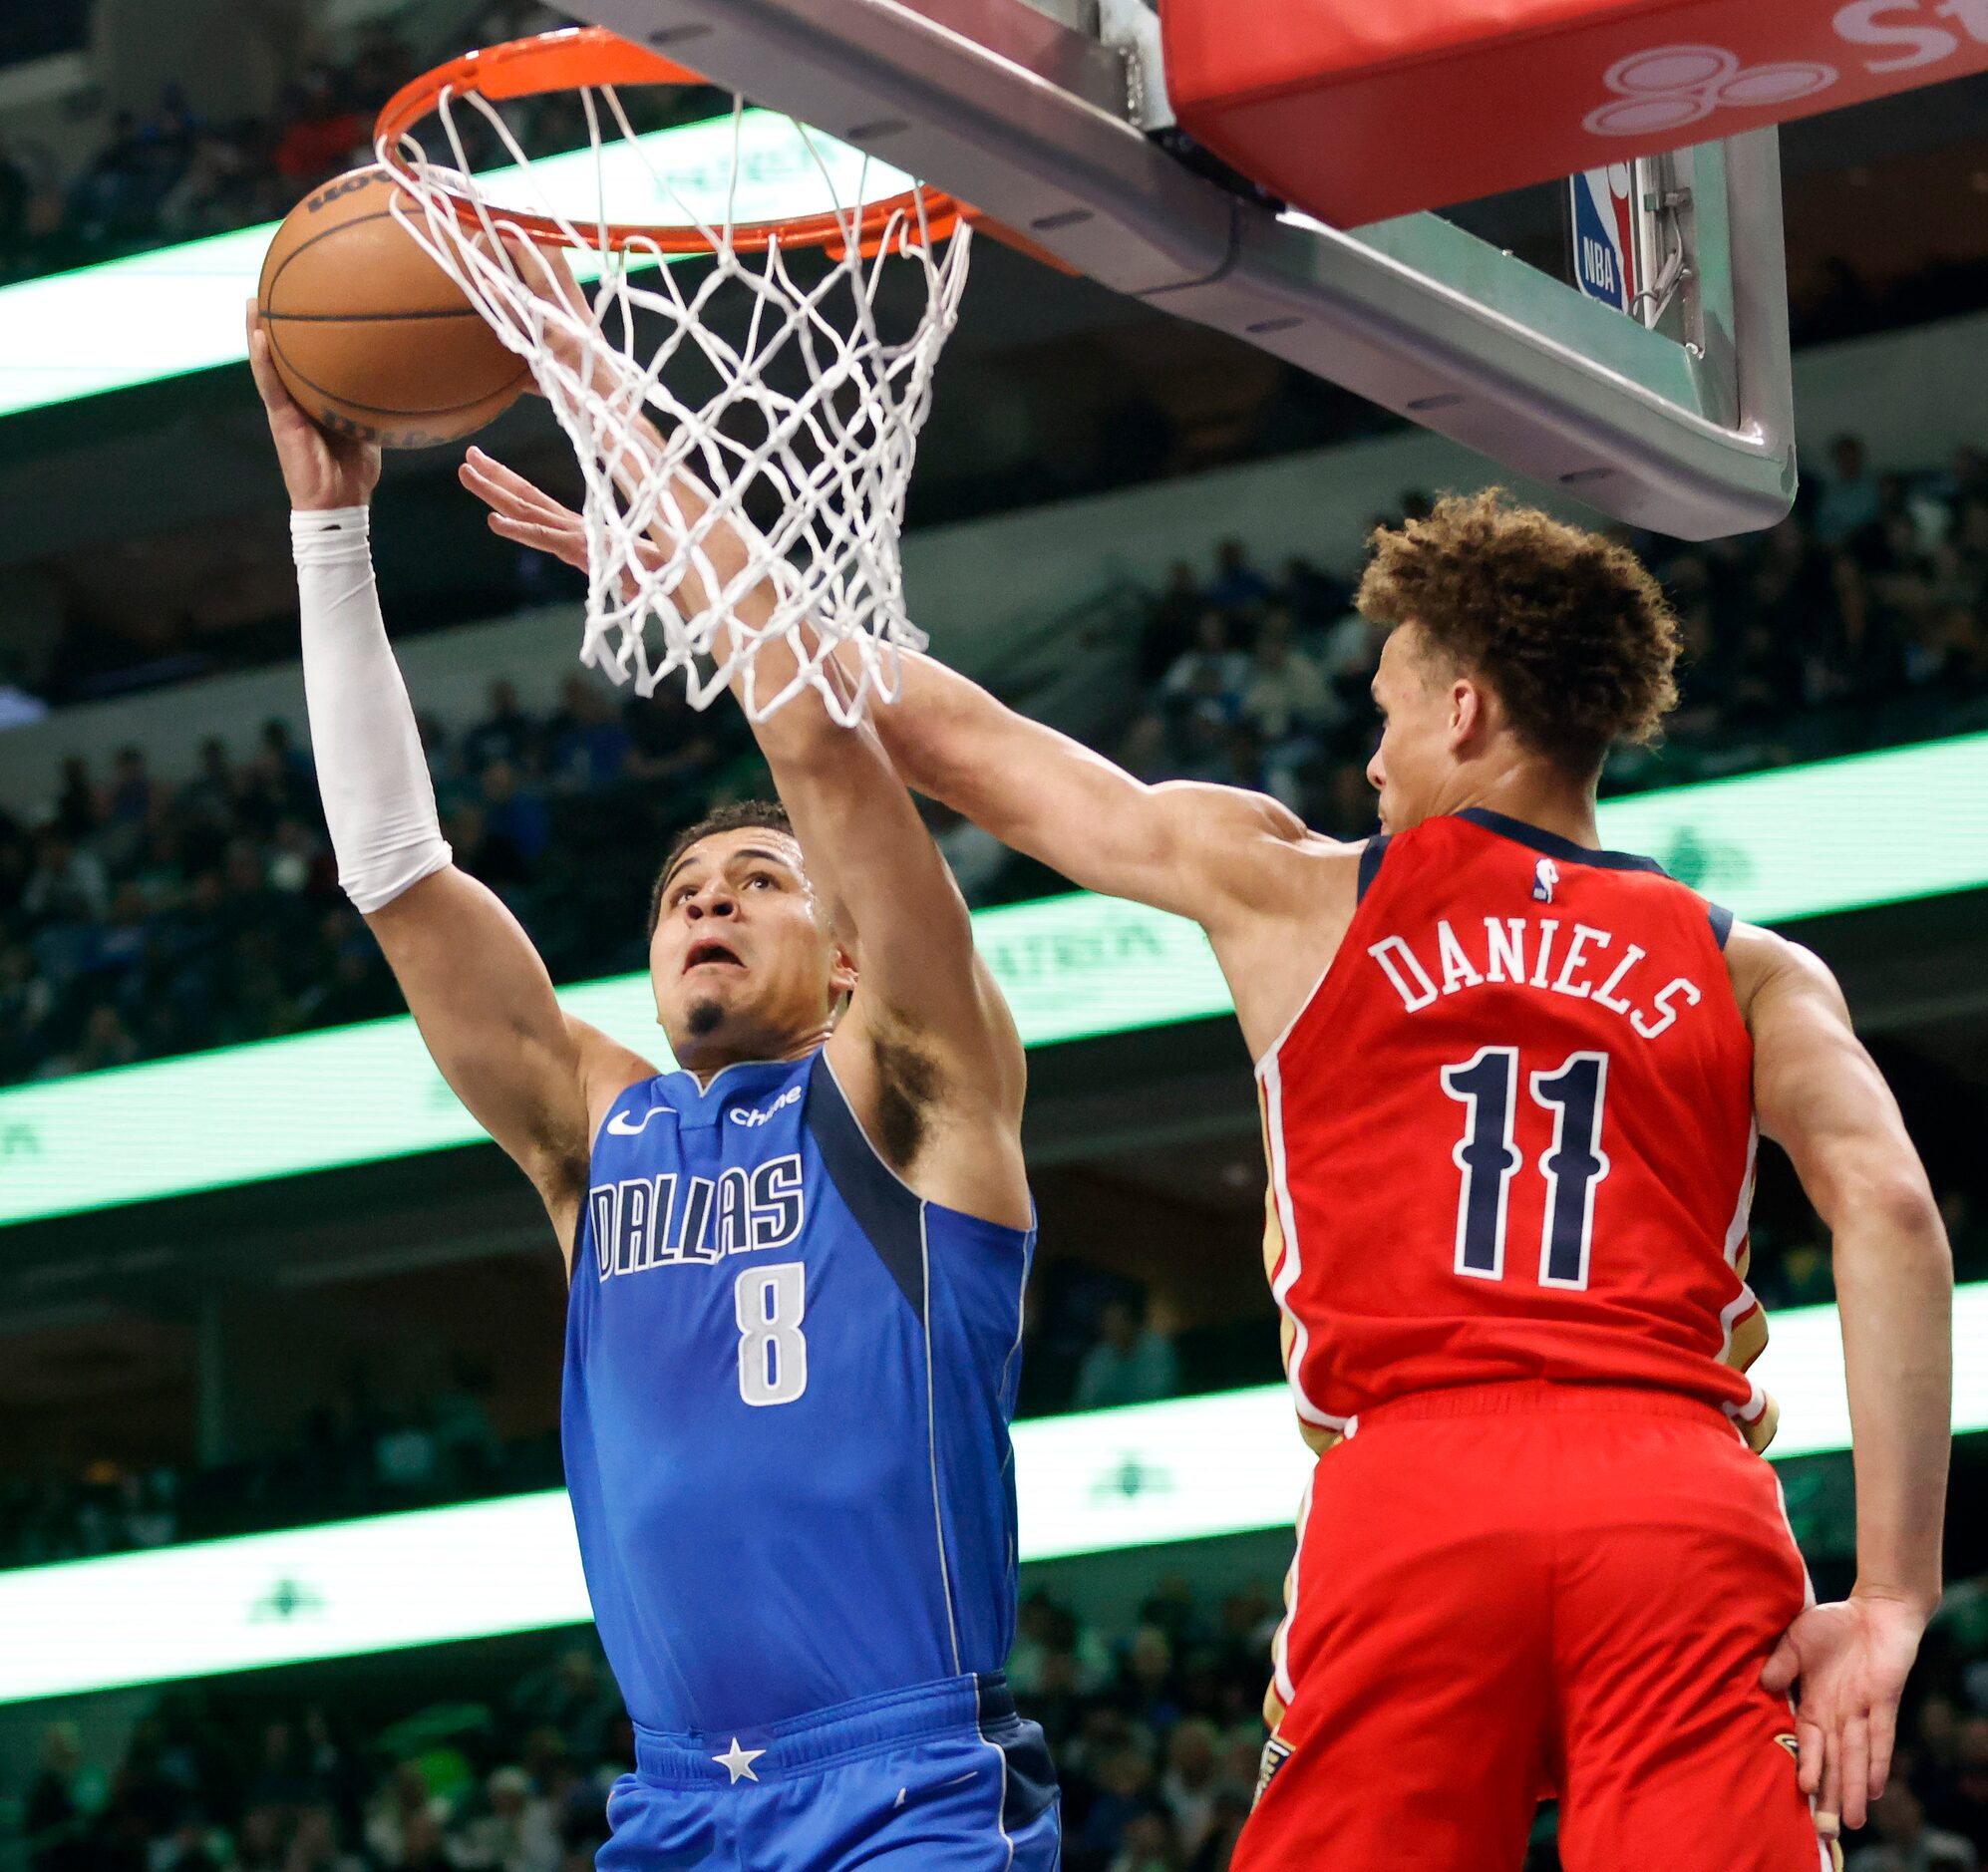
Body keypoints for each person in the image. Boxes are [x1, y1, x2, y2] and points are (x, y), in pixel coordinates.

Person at [479, 477, 1951, 1864]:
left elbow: (960, 740)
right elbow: (1887, 1209)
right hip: (1674, 1495)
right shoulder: (1745, 964)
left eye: (1381, 715)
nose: (1367, 759)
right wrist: (1887, 1597)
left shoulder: (1295, 887)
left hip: (1414, 1489)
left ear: (1463, 706)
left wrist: (694, 572)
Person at [246, 290, 1058, 1872]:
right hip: (678, 1799)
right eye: (687, 887)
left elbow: (827, 756)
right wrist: (330, 537)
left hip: (909, 1784)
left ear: (844, 958)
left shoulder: (913, 1092)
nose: (708, 899)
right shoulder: (598, 1129)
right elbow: (397, 873)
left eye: (760, 880)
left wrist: (612, 416)